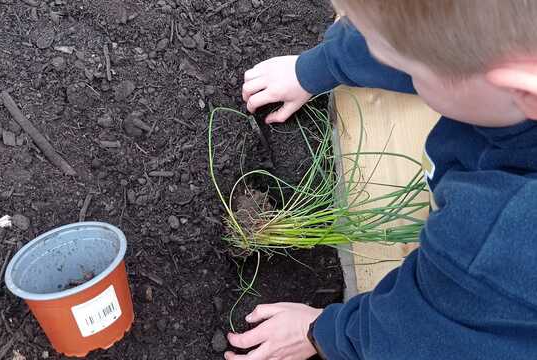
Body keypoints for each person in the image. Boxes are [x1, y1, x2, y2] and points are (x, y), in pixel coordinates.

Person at [225, 1, 537, 359]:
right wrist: (318, 68)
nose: (394, 63)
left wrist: (321, 332)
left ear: (523, 91)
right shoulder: (505, 59)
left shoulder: (492, 248)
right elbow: (415, 31)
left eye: (411, 69)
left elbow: (415, 337)